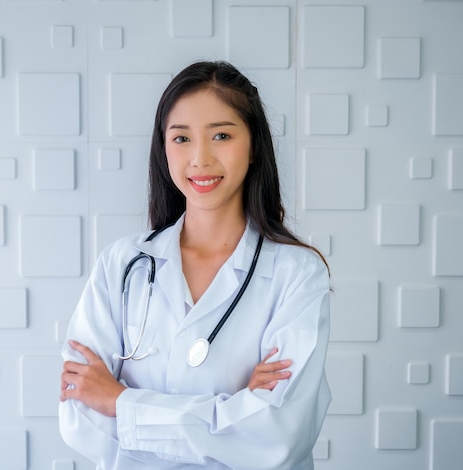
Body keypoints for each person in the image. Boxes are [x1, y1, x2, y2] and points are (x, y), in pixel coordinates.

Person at [59, 60, 331, 469]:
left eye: (221, 135)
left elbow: (278, 436)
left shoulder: (297, 273)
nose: (200, 158)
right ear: (163, 148)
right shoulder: (122, 264)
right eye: (181, 138)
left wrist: (123, 403)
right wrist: (235, 411)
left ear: (254, 145)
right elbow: (80, 417)